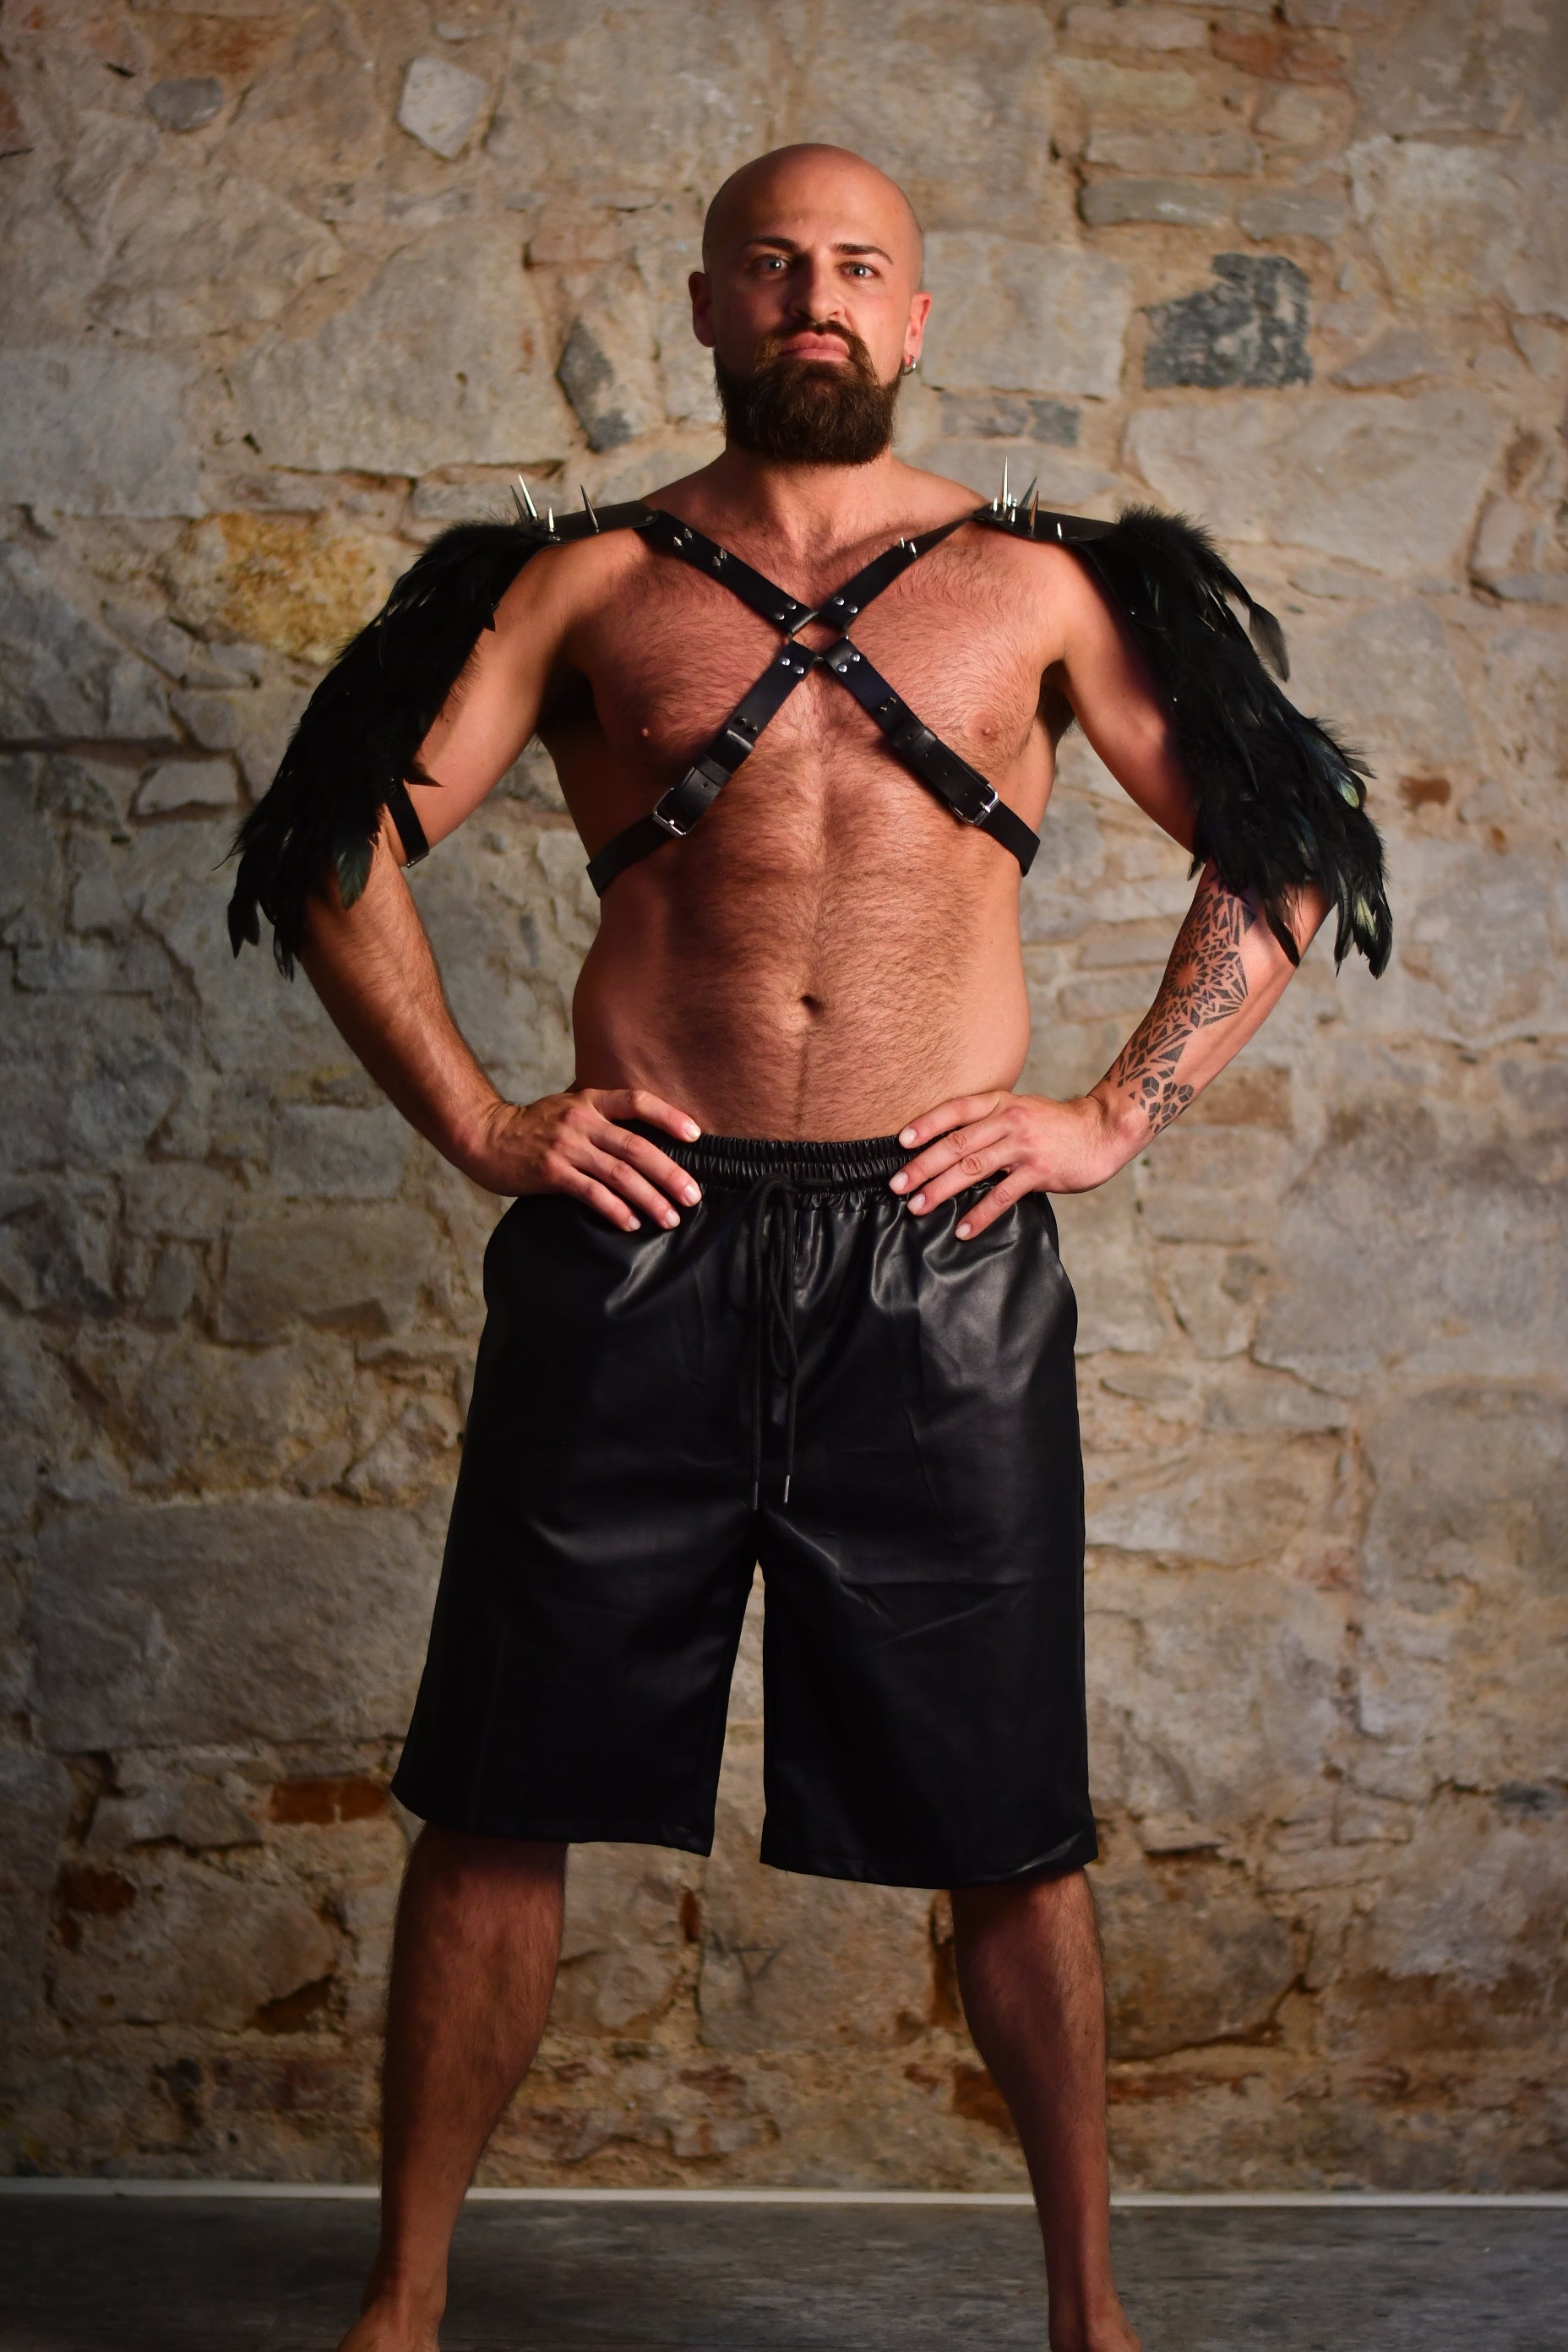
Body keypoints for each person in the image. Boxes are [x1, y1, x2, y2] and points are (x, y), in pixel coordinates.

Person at [229, 144, 1389, 2352]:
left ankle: (1090, 2311)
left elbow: (1291, 841)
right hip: (637, 1254)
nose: (816, 297)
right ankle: (401, 2307)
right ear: (706, 304)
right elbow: (333, 843)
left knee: (1012, 1824)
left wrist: (1112, 1113)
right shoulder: (582, 586)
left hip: (936, 1268)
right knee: (497, 1795)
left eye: (860, 267)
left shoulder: (1045, 590)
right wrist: (479, 1118)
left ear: (917, 316)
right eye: (774, 265)